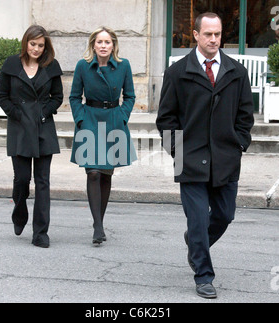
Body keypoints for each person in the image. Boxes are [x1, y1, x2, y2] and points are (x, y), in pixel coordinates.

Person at [156, 12, 254, 299]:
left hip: (225, 158)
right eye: (208, 34)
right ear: (195, 35)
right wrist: (179, 152)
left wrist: (239, 144)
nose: (214, 39)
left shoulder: (237, 71)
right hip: (191, 159)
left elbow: (245, 116)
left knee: (224, 215)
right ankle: (203, 275)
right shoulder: (177, 72)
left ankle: (195, 242)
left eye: (218, 34)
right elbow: (166, 119)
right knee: (198, 219)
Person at [0, 25, 63, 248]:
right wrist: (16, 114)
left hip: (43, 128)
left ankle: (41, 233)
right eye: (32, 44)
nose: (36, 49)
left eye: (40, 45)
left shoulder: (51, 66)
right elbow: (1, 96)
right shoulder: (11, 64)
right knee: (22, 178)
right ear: (26, 42)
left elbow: (57, 97)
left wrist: (43, 113)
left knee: (43, 182)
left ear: (46, 47)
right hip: (19, 128)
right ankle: (19, 211)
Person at [69, 27, 137, 246]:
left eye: (107, 42)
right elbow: (73, 97)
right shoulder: (83, 66)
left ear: (113, 45)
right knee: (93, 173)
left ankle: (100, 220)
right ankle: (97, 226)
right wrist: (80, 119)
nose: (103, 45)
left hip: (113, 121)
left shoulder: (124, 65)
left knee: (106, 174)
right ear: (93, 45)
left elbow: (130, 96)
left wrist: (122, 117)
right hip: (89, 119)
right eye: (100, 42)